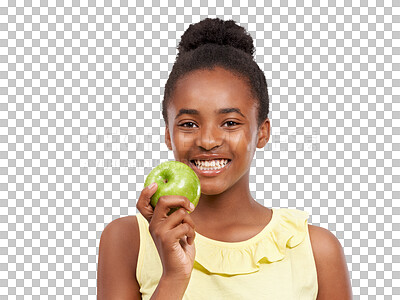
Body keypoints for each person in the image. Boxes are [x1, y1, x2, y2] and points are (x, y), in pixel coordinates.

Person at [97, 18, 352, 299]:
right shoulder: (128, 239)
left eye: (230, 123)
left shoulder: (314, 249)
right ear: (168, 135)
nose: (207, 141)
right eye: (188, 124)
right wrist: (174, 275)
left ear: (262, 133)